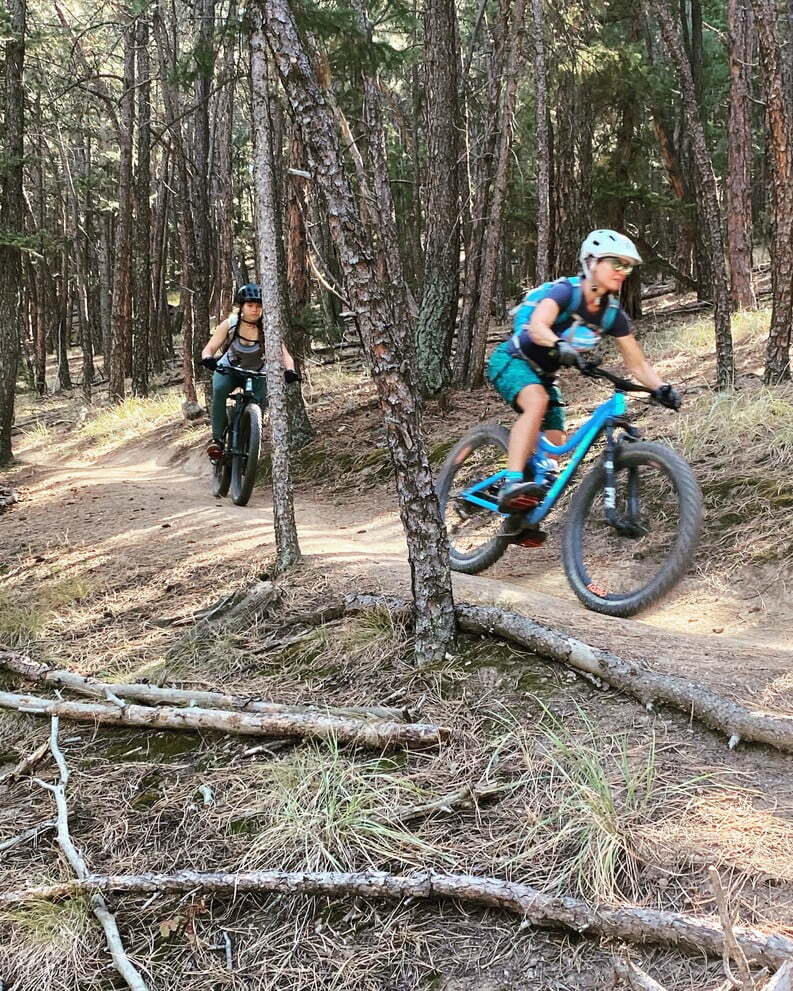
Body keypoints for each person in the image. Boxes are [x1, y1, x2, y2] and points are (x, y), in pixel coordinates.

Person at [486, 229, 681, 516]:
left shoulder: (613, 315)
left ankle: (519, 521)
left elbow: (637, 365)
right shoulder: (567, 292)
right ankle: (512, 481)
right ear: (591, 262)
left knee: (554, 451)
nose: (622, 272)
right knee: (536, 402)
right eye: (616, 263)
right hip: (512, 360)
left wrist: (661, 388)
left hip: (546, 376)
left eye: (627, 266)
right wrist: (558, 344)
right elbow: (538, 326)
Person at [200, 283, 298, 461]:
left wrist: (290, 371)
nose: (255, 310)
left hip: (257, 372)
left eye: (259, 306)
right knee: (220, 391)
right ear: (242, 306)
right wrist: (208, 359)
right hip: (228, 369)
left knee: (259, 403)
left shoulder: (267, 328)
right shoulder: (230, 324)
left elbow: (286, 356)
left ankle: (250, 441)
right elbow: (210, 348)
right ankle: (218, 440)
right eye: (250, 305)